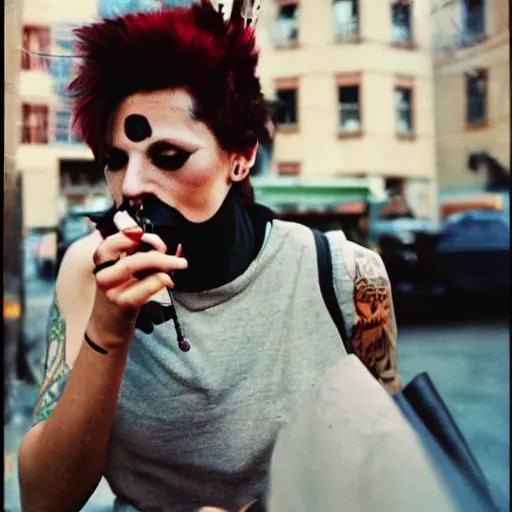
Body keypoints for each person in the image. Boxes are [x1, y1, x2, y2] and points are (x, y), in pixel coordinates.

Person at [18, 2, 401, 511]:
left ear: (239, 157)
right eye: (115, 160)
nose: (130, 186)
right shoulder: (89, 271)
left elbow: (391, 468)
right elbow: (45, 499)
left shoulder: (346, 275)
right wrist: (108, 328)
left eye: (168, 157)